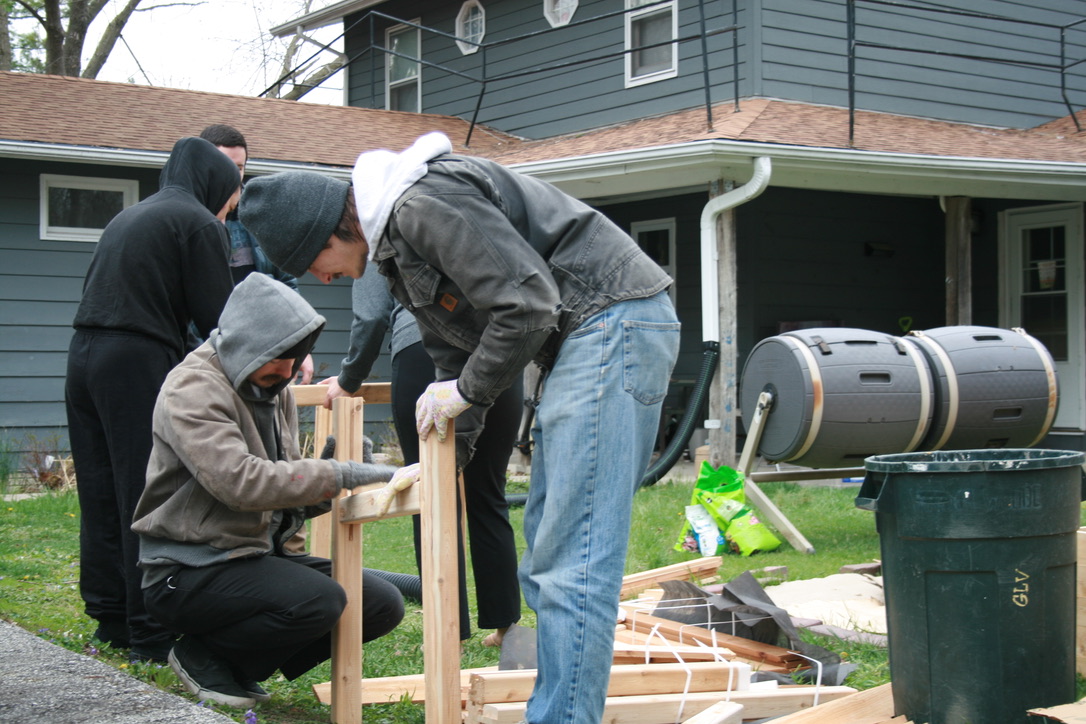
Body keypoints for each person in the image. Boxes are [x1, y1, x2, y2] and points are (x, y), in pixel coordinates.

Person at [239, 132, 681, 724]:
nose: (319, 279)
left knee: (574, 556)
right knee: (549, 551)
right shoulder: (396, 252)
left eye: (308, 263)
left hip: (611, 320)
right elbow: (457, 353)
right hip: (584, 336)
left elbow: (526, 306)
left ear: (328, 233)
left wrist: (467, 391)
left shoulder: (422, 206)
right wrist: (445, 456)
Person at [131, 273, 417, 708]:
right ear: (248, 343)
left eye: (296, 358)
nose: (287, 371)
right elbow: (241, 483)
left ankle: (237, 665)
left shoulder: (270, 384)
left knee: (379, 604)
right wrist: (334, 472)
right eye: (279, 358)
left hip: (253, 555)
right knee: (320, 601)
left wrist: (323, 480)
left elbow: (279, 495)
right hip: (187, 569)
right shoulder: (191, 388)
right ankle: (201, 654)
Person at [65, 136, 241, 663]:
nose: (230, 207)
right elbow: (220, 321)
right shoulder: (198, 223)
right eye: (232, 194)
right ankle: (150, 635)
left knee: (99, 488)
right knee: (142, 491)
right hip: (133, 359)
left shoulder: (130, 217)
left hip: (83, 356)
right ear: (217, 184)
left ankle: (111, 617)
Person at [321, 265, 522, 645]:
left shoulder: (378, 226)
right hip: (496, 350)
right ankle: (505, 626)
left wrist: (348, 380)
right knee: (489, 493)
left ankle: (450, 632)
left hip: (421, 352)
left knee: (428, 494)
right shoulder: (460, 216)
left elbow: (372, 314)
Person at [196, 123, 314, 383]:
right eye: (226, 165)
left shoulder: (261, 217)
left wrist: (299, 348)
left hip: (260, 354)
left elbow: (285, 287)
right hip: (203, 353)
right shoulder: (188, 218)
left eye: (239, 167)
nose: (233, 175)